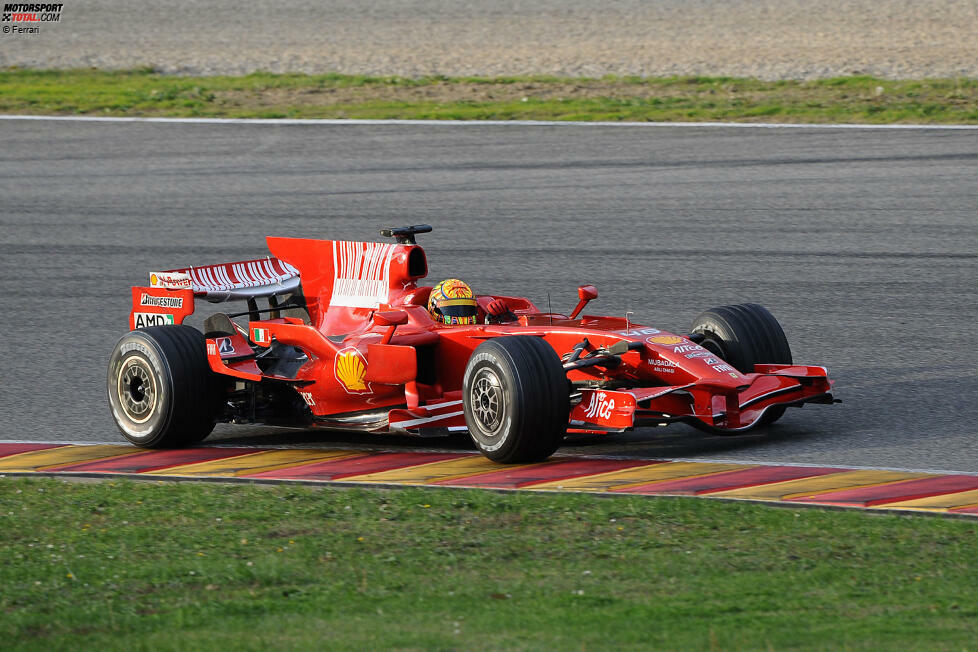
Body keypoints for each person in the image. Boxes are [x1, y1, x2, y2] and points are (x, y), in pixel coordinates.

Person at [427, 278, 515, 325]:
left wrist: (505, 316)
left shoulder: (481, 319)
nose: (461, 313)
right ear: (434, 307)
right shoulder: (425, 328)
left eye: (466, 308)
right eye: (453, 309)